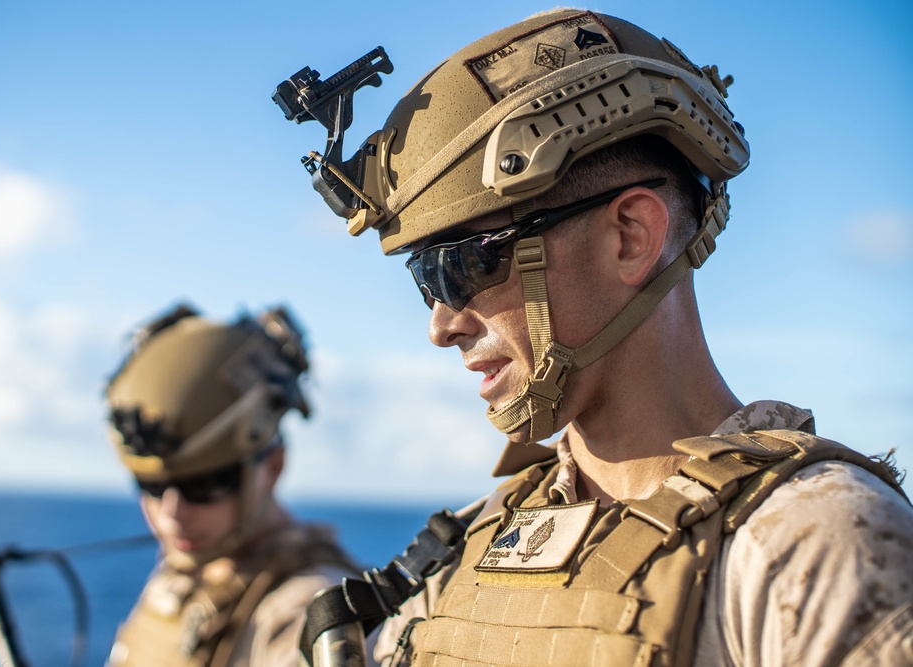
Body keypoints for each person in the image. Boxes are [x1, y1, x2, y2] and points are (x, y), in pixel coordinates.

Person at [280, 8, 913, 667]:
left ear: (629, 237)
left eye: (464, 264)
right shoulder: (472, 543)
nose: (441, 325)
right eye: (425, 278)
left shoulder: (812, 548)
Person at [103, 302, 356, 667]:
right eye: (151, 486)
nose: (172, 513)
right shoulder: (188, 570)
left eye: (205, 485)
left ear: (273, 466)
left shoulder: (308, 614)